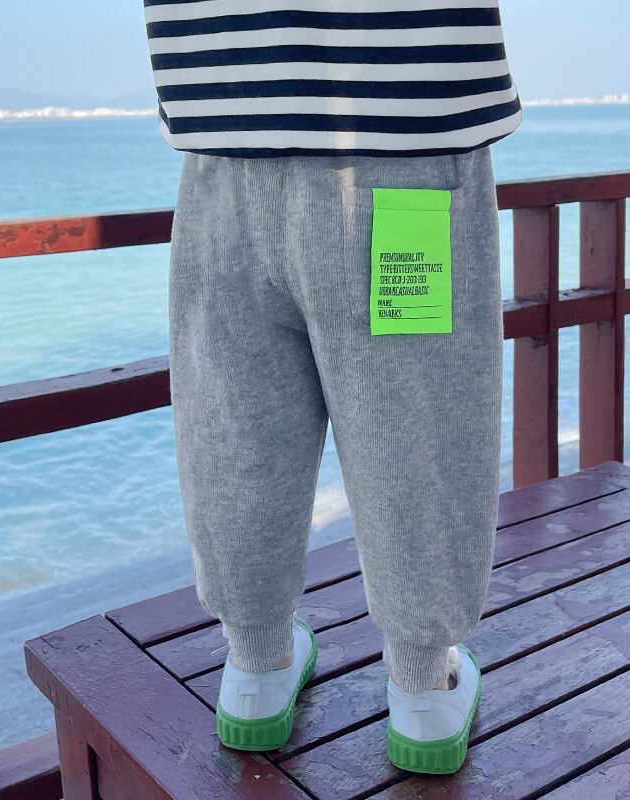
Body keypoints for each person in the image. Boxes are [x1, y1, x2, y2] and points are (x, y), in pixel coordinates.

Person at [143, 0, 521, 774]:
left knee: (236, 432)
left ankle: (255, 667)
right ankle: (423, 686)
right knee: (416, 433)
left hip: (225, 140)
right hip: (403, 134)